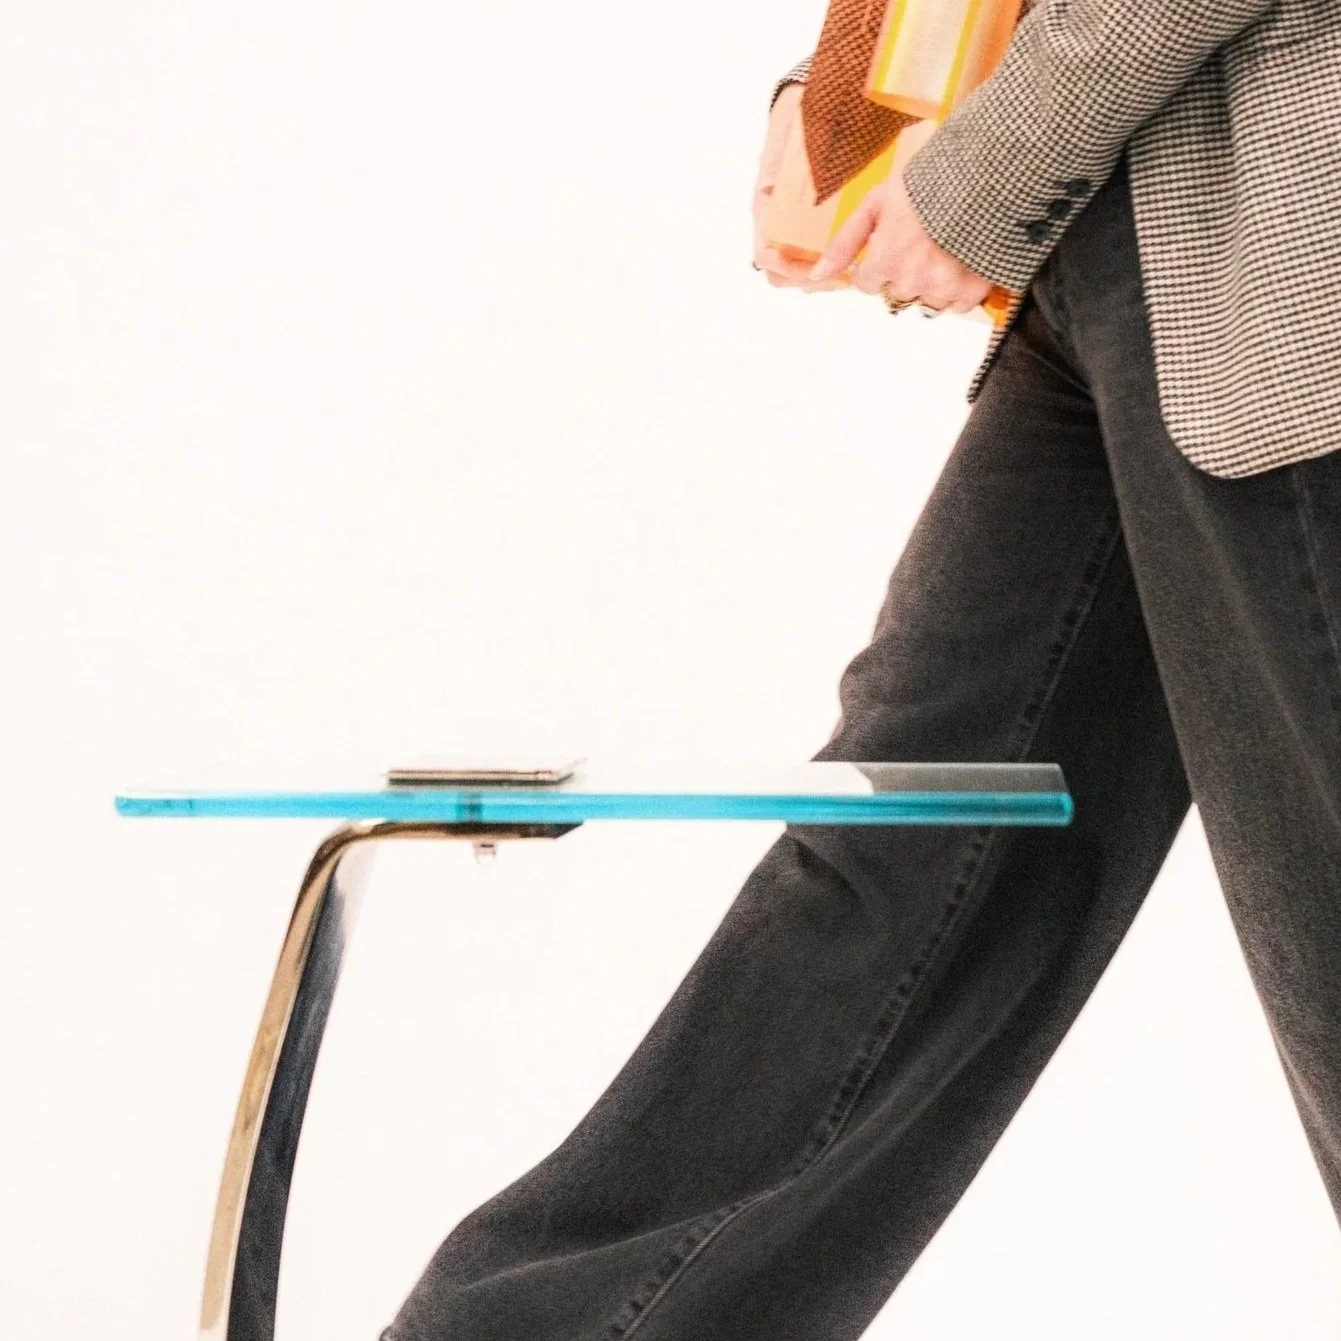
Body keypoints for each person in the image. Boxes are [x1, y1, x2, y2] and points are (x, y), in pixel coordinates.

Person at [382, 2, 1341, 1336]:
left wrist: (983, 172)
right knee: (899, 869)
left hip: (1288, 248)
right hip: (1120, 239)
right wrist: (837, 89)